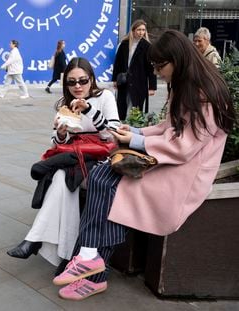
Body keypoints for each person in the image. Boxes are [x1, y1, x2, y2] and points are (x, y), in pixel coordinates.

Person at [52, 29, 235, 301]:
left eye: (161, 66)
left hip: (186, 171)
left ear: (178, 59)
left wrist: (136, 141)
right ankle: (90, 259)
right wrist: (135, 133)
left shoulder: (204, 94)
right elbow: (168, 128)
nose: (158, 72)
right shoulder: (188, 85)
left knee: (113, 183)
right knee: (103, 173)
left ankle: (92, 264)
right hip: (172, 159)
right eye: (155, 66)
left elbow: (184, 147)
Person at [7, 57, 120, 267]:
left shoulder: (105, 97)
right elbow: (55, 142)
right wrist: (60, 133)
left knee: (63, 176)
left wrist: (88, 110)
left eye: (83, 80)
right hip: (74, 158)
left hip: (99, 159)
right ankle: (63, 254)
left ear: (92, 79)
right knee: (63, 177)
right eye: (71, 82)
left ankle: (36, 241)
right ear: (65, 83)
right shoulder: (64, 104)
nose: (77, 86)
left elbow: (112, 135)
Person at [112, 19, 157, 121]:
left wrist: (152, 87)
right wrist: (115, 79)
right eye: (139, 30)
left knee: (136, 106)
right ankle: (121, 125)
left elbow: (151, 68)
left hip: (139, 82)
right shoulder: (124, 44)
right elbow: (117, 63)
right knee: (122, 105)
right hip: (124, 81)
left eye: (143, 30)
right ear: (133, 30)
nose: (141, 32)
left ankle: (133, 128)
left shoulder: (147, 46)